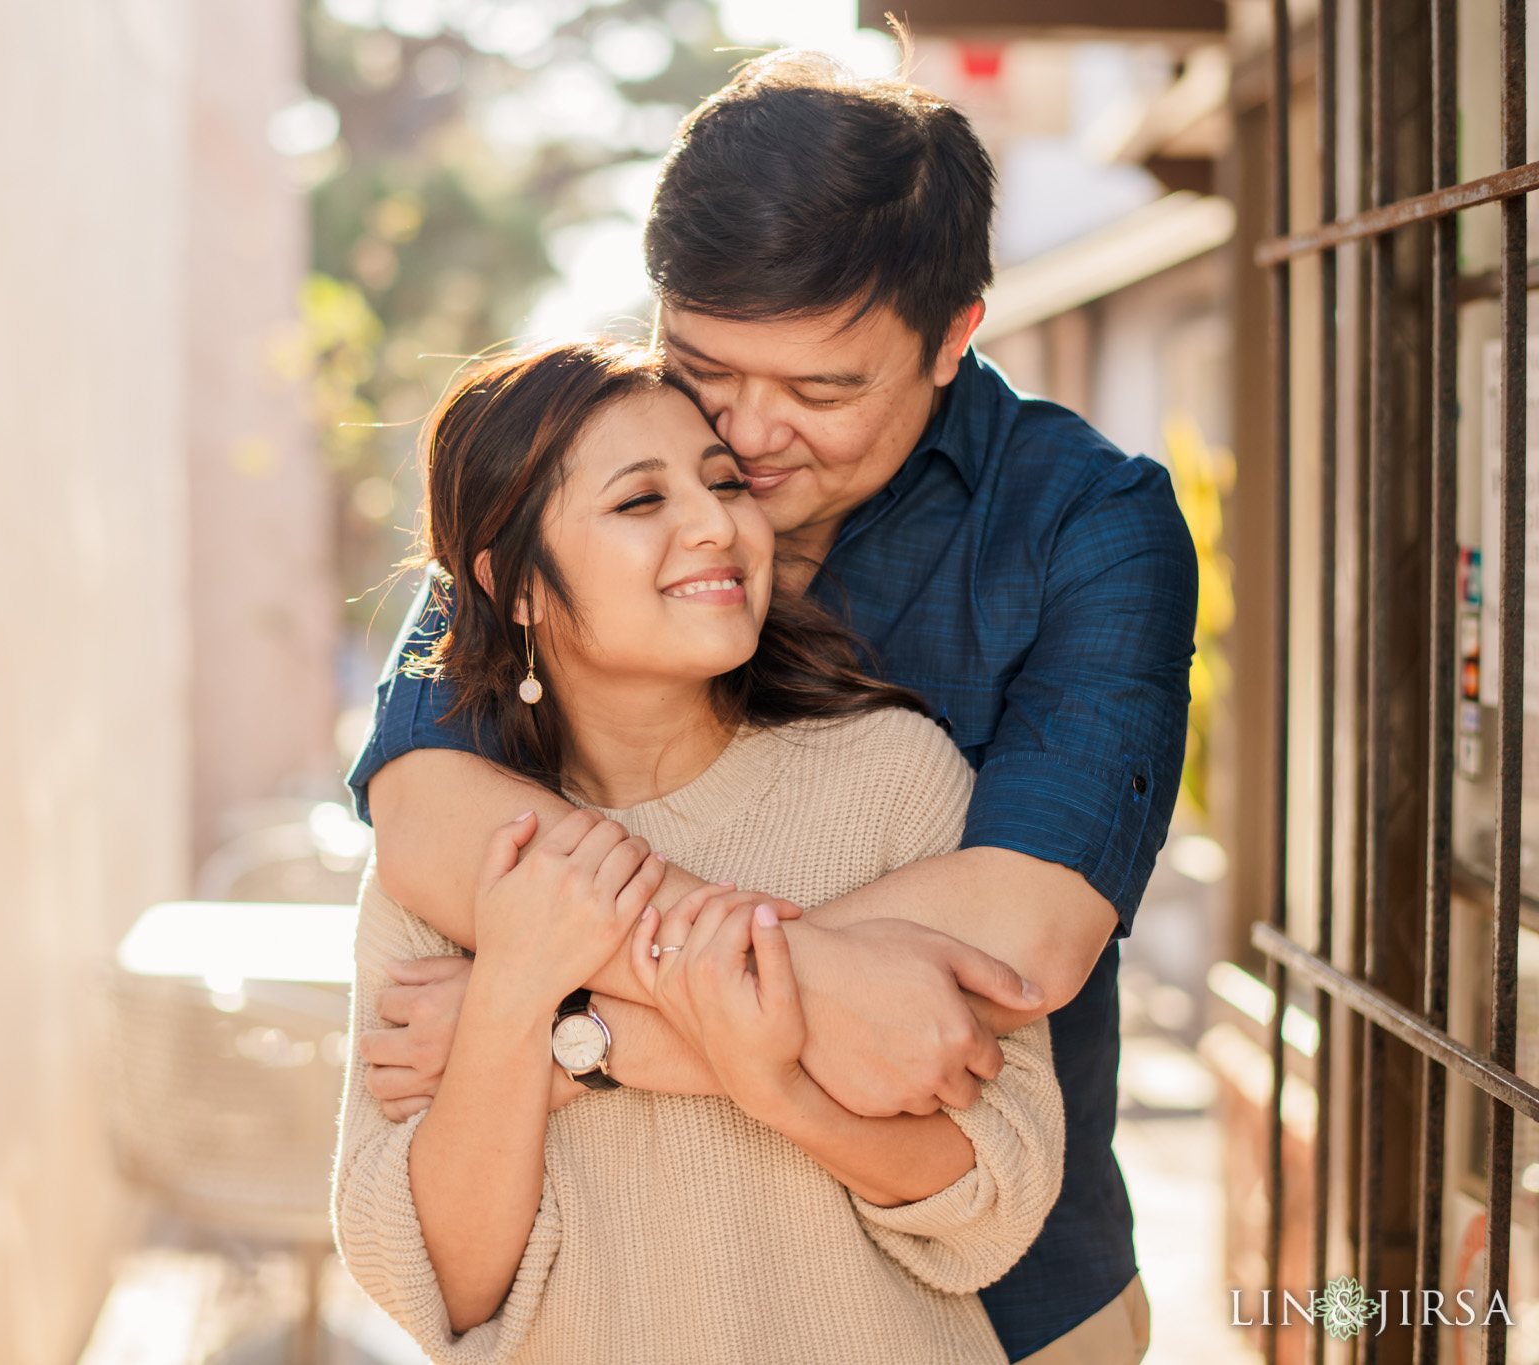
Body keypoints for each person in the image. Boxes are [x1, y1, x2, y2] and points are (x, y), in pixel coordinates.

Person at [349, 52, 1195, 1364]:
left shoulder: (1092, 526)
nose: (744, 437)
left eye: (820, 391)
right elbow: (430, 813)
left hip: (994, 1298)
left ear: (955, 333)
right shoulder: (559, 483)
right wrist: (768, 1003)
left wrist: (550, 1020)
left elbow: (1015, 949)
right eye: (704, 367)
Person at [333, 339, 1064, 1365]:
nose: (716, 523)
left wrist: (736, 1079)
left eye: (724, 484)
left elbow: (998, 1185)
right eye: (640, 502)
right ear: (516, 588)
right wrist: (512, 985)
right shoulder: (451, 866)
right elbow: (436, 1285)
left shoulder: (894, 777)